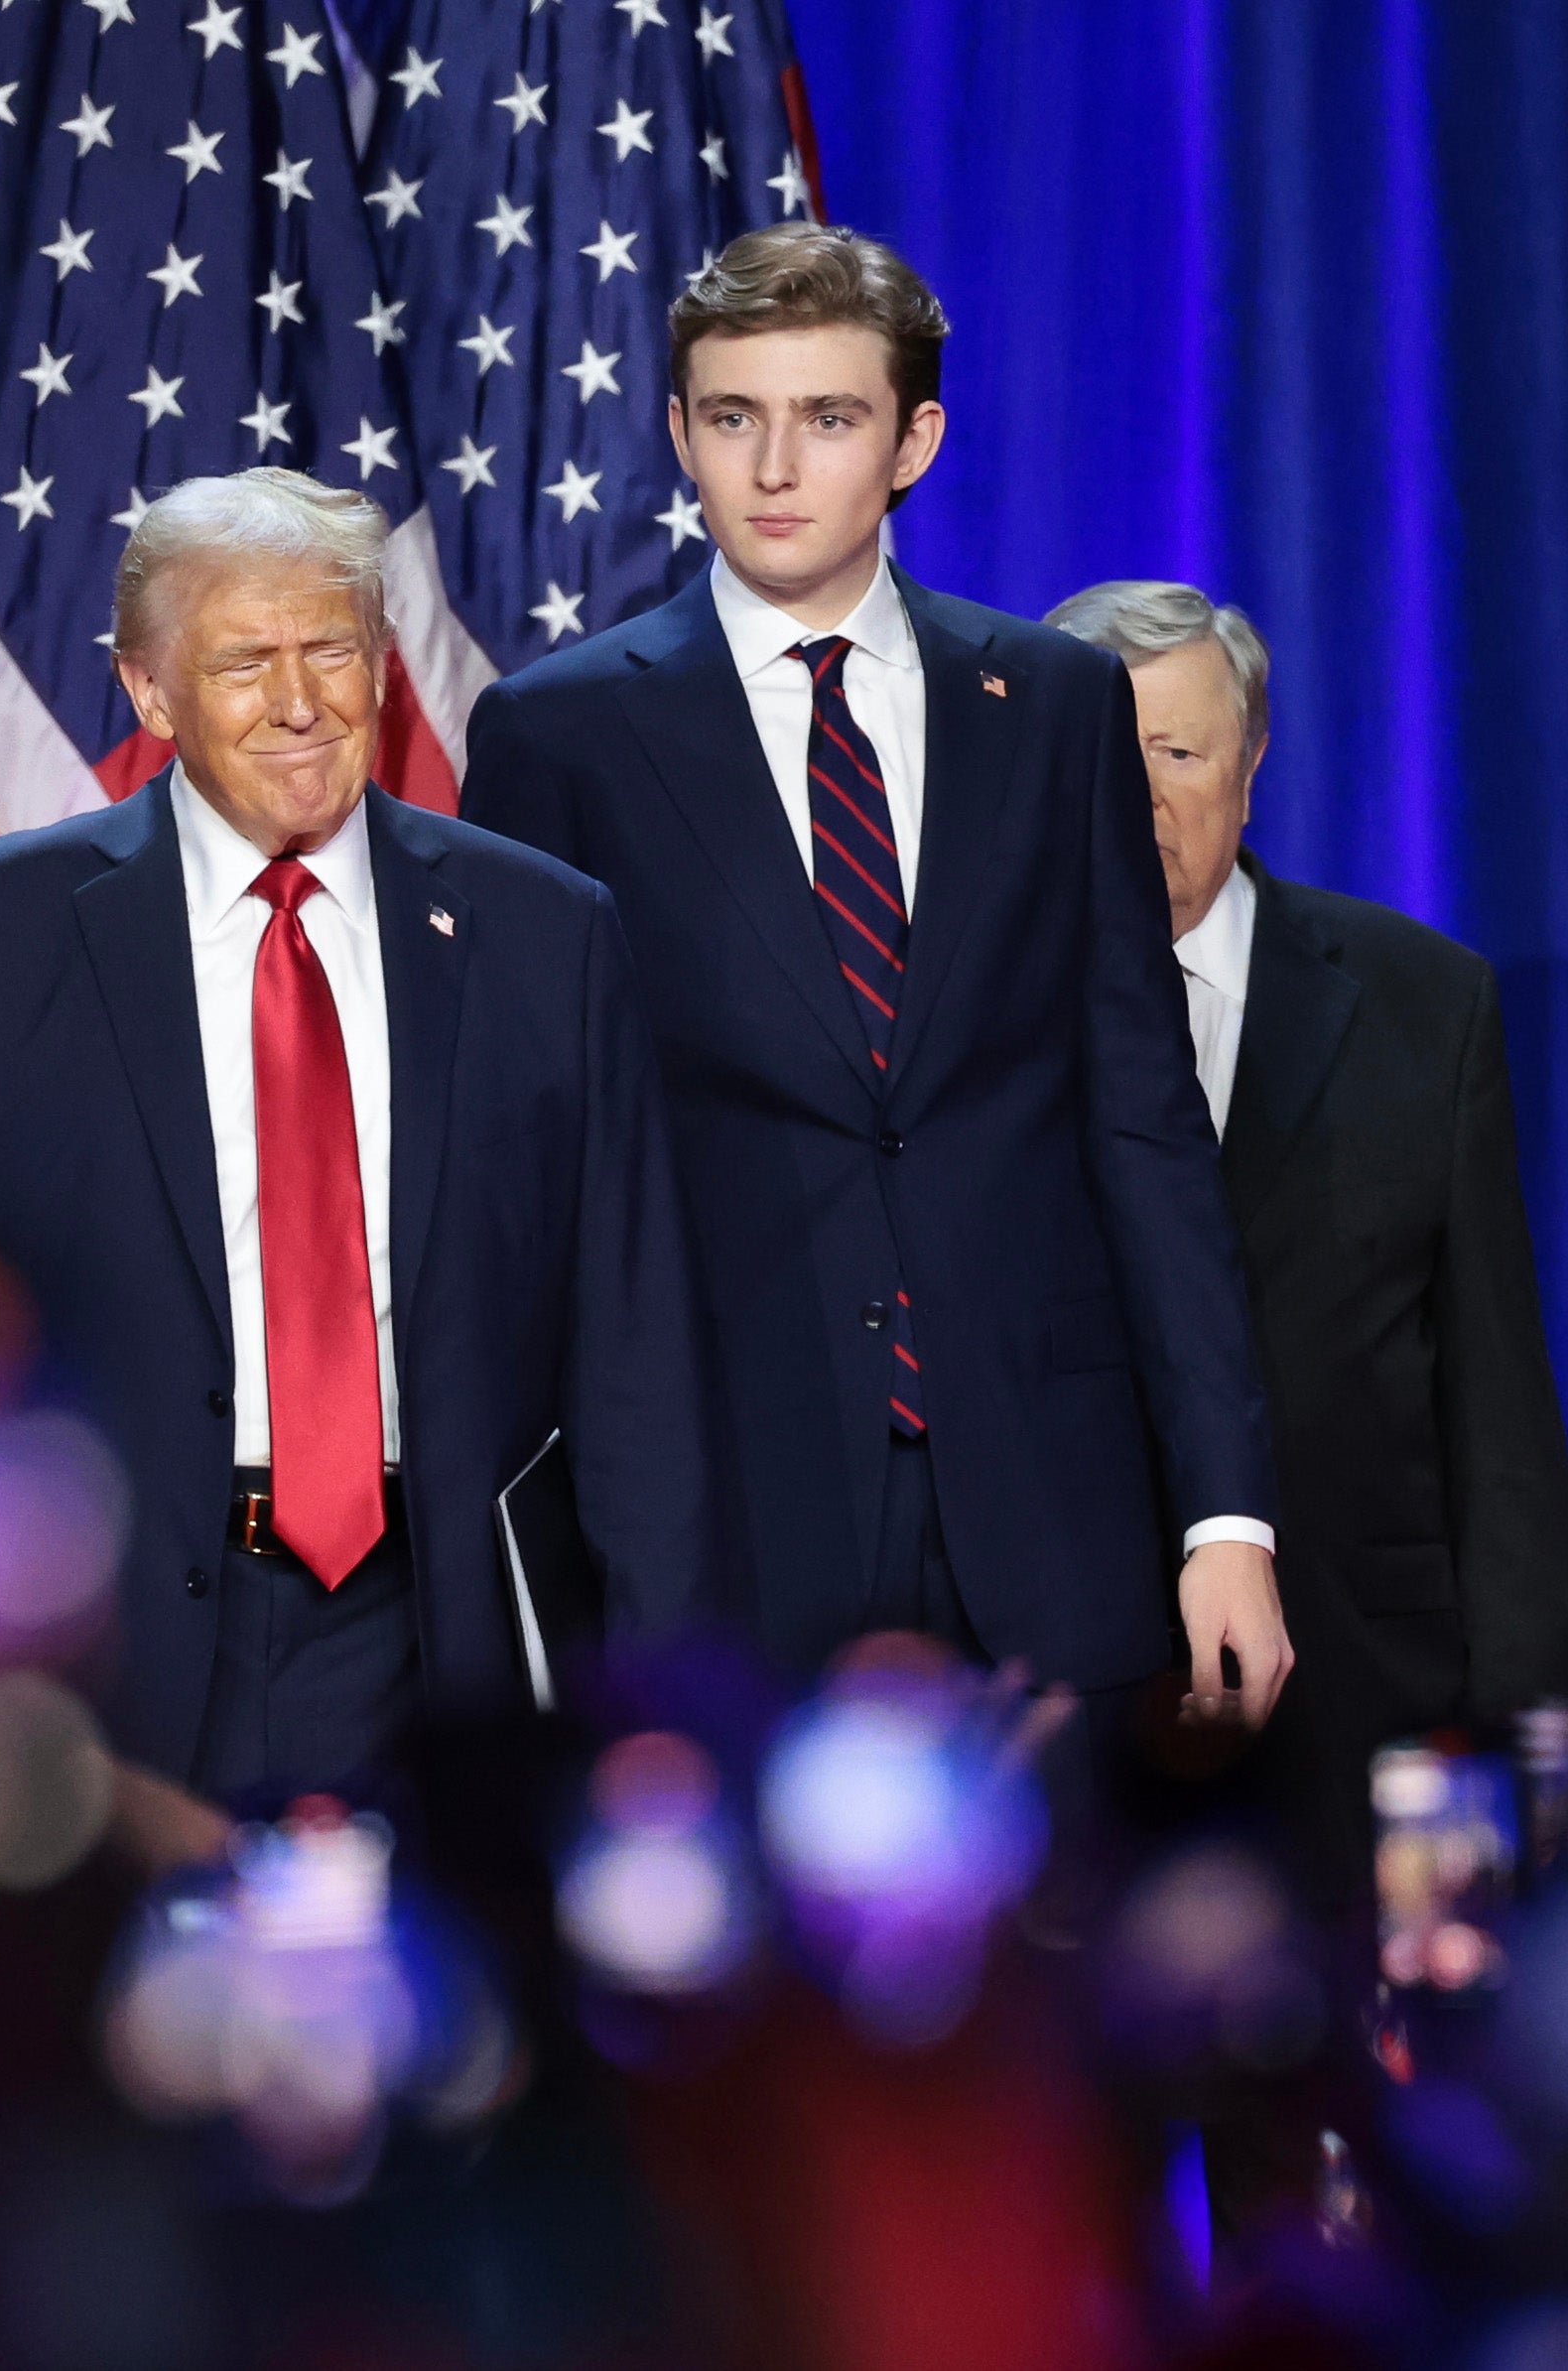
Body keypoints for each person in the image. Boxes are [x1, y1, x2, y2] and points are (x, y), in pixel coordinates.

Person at [0, 469, 724, 1802]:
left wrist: (663, 1711)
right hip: (93, 1657)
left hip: (437, 1643)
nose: (299, 700)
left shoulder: (544, 934)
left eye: (331, 647)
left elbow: (638, 1359)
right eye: (242, 662)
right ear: (151, 690)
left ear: (383, 665)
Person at [459, 224, 1291, 1731]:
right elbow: (524, 1183)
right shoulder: (555, 737)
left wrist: (1224, 1517)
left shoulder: (1052, 707)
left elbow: (1143, 1128)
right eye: (734, 417)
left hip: (1046, 1518)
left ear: (914, 442)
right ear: (678, 434)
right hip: (725, 1533)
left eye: (829, 418)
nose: (775, 465)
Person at [1045, 577, 1568, 1887]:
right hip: (1067, 1729)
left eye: (1180, 753)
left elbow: (1497, 1427)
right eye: (1107, 758)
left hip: (1362, 1714)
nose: (1146, 795)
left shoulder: (1420, 1005)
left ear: (1252, 762)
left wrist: (1522, 1770)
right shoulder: (958, 1023)